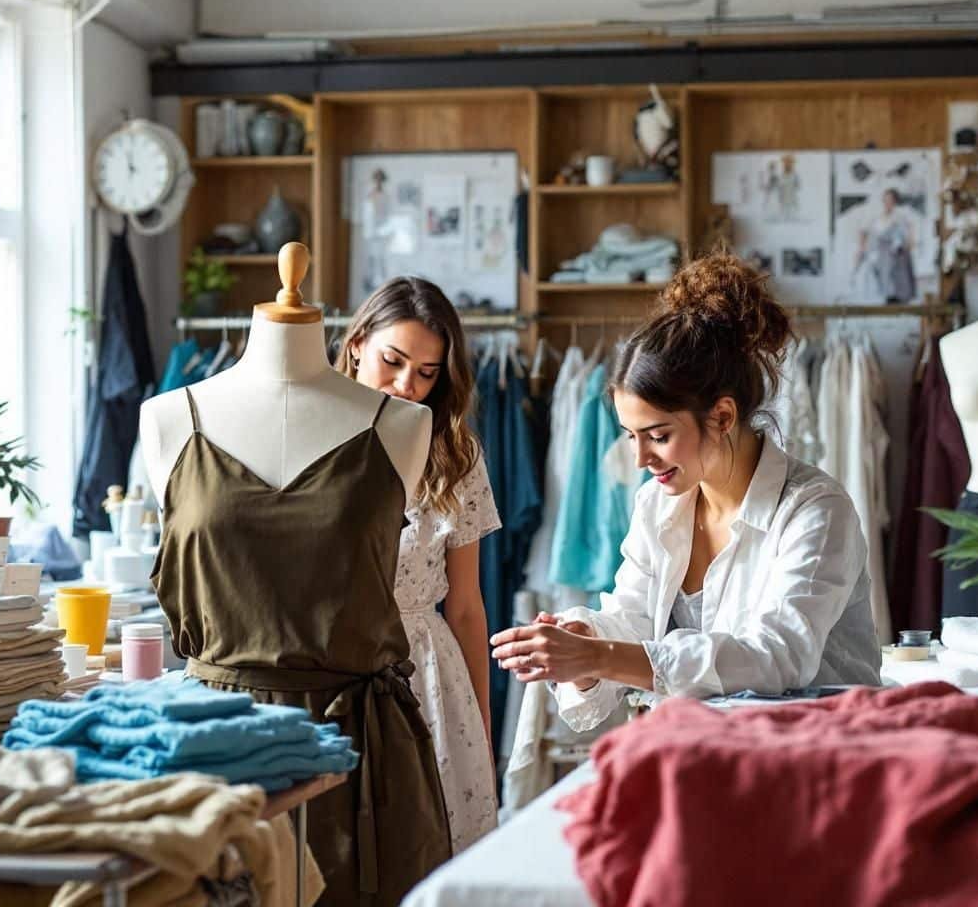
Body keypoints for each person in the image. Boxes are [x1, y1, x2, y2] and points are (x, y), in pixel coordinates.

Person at [489, 252, 880, 730]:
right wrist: (584, 640)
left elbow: (779, 656)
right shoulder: (658, 503)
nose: (640, 459)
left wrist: (601, 654)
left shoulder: (814, 510)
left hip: (816, 747)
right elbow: (632, 615)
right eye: (630, 436)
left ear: (722, 417)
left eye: (657, 435)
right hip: (708, 752)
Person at [338, 276, 501, 852]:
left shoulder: (455, 454)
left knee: (434, 854)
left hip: (427, 676)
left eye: (427, 372)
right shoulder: (315, 433)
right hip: (334, 669)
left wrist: (481, 725)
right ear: (357, 343)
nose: (408, 385)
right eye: (393, 360)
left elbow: (465, 605)